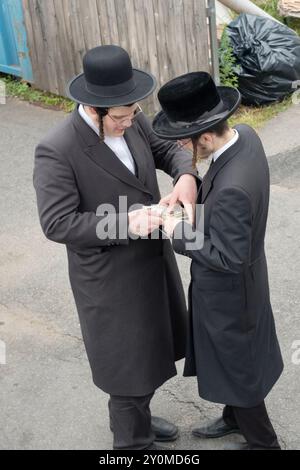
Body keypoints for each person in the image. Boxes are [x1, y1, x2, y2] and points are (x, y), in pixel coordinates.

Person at [33, 45, 198, 450]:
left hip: (150, 263)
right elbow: (57, 223)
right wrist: (126, 222)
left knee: (152, 353)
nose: (130, 122)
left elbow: (166, 148)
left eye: (133, 114)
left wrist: (187, 175)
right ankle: (131, 442)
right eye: (121, 118)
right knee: (127, 368)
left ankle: (136, 416)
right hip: (109, 280)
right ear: (93, 109)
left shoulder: (131, 119)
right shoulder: (56, 149)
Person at [152, 71, 284, 450]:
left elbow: (226, 256)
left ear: (206, 136)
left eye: (184, 139)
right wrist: (190, 188)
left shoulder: (233, 190)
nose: (180, 145)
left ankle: (263, 442)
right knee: (234, 362)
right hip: (249, 280)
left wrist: (174, 228)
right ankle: (232, 418)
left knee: (239, 370)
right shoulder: (246, 137)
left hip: (230, 294)